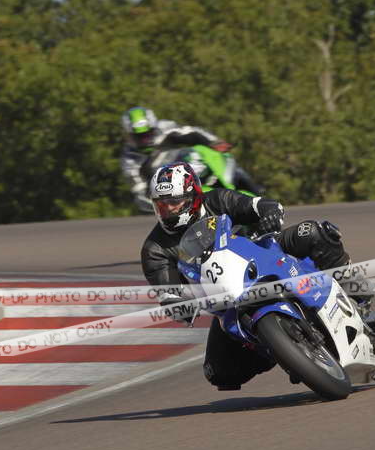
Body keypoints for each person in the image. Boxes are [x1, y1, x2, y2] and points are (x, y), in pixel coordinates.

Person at [140, 161, 352, 391]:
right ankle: (279, 349)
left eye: (174, 202)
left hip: (264, 252)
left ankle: (355, 291)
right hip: (226, 297)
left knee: (313, 232)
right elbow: (168, 291)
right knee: (219, 372)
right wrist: (177, 304)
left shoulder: (217, 200)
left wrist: (269, 212)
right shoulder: (155, 249)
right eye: (161, 204)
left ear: (194, 197)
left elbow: (256, 204)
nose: (168, 210)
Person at [120, 106, 225, 212]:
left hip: (187, 169)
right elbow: (140, 192)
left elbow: (192, 131)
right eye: (139, 137)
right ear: (129, 135)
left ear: (154, 128)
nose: (145, 140)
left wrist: (214, 142)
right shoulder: (130, 159)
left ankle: (218, 182)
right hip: (168, 195)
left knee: (194, 151)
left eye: (148, 134)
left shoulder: (165, 127)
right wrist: (163, 205)